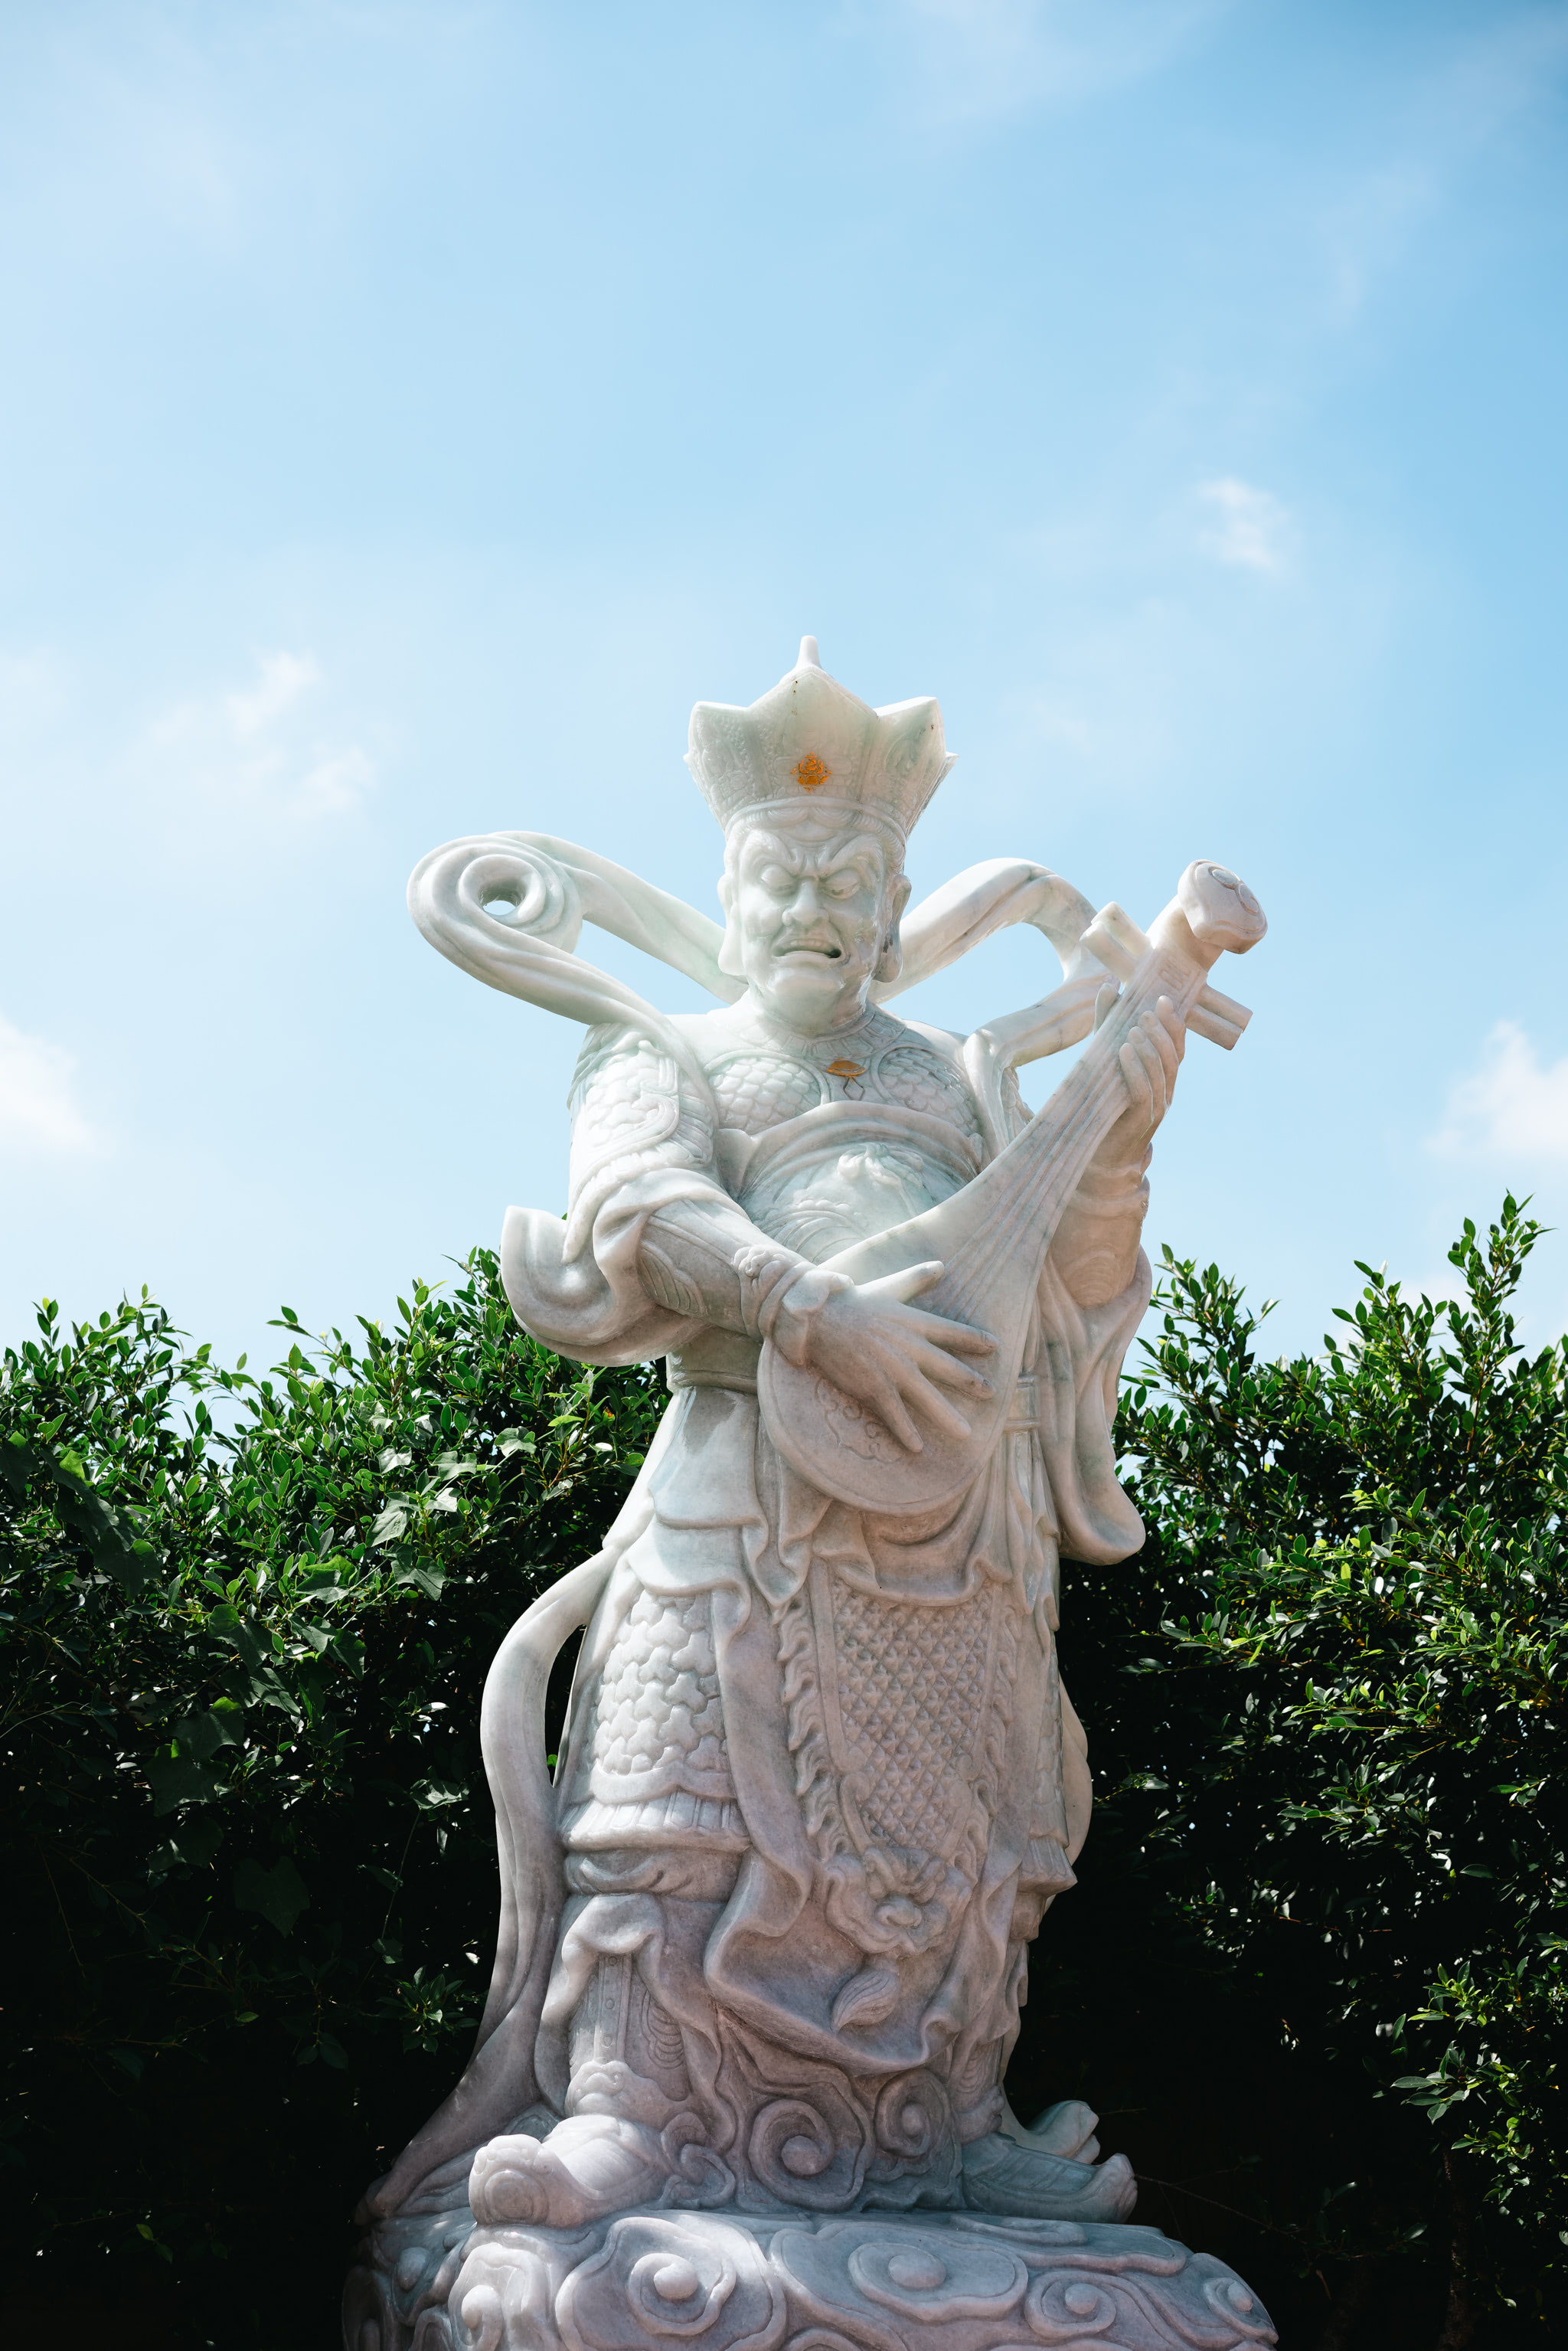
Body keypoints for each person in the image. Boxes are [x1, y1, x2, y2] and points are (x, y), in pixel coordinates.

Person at [369, 641, 1183, 2235]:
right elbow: (637, 1204)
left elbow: (1067, 1279)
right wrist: (810, 1309)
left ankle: (948, 2128)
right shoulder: (665, 1050)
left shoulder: (961, 1075)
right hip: (744, 1472)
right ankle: (630, 2115)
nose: (818, 906)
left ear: (896, 904)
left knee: (970, 1829)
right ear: (731, 891)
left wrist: (1119, 1143)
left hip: (956, 1507)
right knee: (675, 1803)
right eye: (784, 876)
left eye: (850, 881)